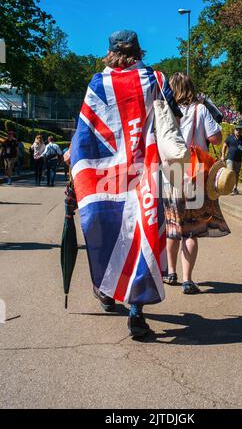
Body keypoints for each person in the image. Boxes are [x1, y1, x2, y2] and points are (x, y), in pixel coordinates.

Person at [70, 30, 182, 338]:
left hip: (103, 180)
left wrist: (75, 177)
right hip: (146, 175)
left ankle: (106, 291)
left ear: (109, 53)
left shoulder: (97, 84)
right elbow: (173, 121)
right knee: (143, 235)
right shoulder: (157, 80)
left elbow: (83, 135)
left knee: (105, 234)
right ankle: (136, 312)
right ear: (138, 51)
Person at [163, 73, 230, 294]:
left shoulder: (165, 110)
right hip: (195, 174)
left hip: (171, 174)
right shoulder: (200, 109)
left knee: (173, 226)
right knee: (190, 231)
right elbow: (216, 139)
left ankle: (170, 272)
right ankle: (187, 280)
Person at [221, 125, 242, 195]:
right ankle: (229, 188)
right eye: (237, 130)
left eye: (239, 130)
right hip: (230, 159)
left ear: (241, 131)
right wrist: (223, 156)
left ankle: (235, 188)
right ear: (234, 131)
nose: (238, 131)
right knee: (231, 173)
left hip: (238, 160)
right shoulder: (230, 138)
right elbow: (224, 146)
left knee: (236, 174)